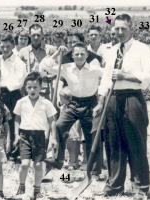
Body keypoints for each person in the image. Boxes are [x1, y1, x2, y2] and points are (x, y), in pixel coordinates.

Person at [94, 14, 150, 200]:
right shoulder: (112, 50)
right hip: (112, 99)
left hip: (132, 97)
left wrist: (126, 75)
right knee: (114, 143)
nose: (119, 32)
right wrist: (100, 101)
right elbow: (106, 78)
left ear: (131, 28)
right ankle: (114, 186)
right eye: (117, 28)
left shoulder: (142, 50)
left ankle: (141, 187)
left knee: (136, 143)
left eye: (123, 28)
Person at [40, 43, 103, 173]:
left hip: (90, 103)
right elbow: (45, 66)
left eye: (82, 54)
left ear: (87, 55)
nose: (79, 56)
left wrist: (100, 100)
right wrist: (57, 53)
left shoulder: (94, 69)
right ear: (72, 56)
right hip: (73, 103)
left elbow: (107, 77)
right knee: (59, 126)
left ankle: (94, 169)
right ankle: (58, 159)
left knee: (91, 134)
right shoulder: (66, 67)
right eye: (76, 54)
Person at [12, 73, 57, 200]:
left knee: (38, 165)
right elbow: (17, 119)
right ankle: (21, 186)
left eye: (35, 87)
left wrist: (53, 138)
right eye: (29, 87)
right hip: (24, 135)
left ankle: (37, 189)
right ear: (26, 88)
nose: (32, 90)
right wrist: (16, 135)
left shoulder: (46, 103)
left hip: (39, 136)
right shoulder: (21, 102)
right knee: (25, 164)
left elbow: (52, 121)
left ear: (40, 88)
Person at [0, 35, 27, 155]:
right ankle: (0, 149)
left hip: (12, 94)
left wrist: (1, 81)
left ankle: (13, 150)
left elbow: (18, 82)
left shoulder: (18, 62)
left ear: (13, 46)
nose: (5, 49)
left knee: (11, 122)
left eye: (8, 47)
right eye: (2, 46)